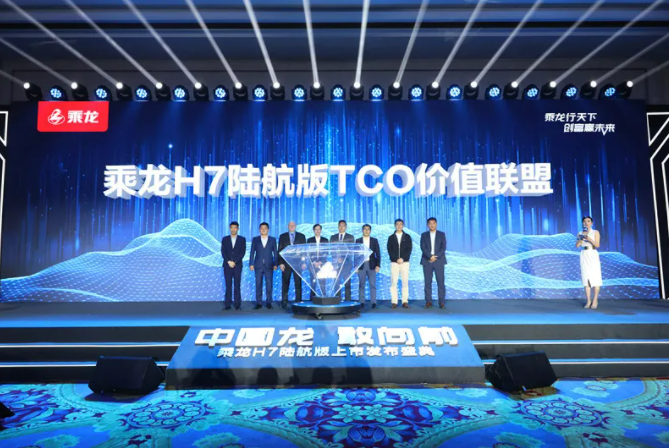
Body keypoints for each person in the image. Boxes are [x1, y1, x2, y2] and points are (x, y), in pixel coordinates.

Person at [249, 222, 278, 309]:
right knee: (258, 284)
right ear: (259, 230)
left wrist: (276, 263)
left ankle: (269, 302)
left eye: (265, 228)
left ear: (268, 229)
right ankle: (259, 302)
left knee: (269, 284)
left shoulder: (273, 240)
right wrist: (251, 263)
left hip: (269, 265)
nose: (263, 230)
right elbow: (252, 252)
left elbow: (275, 252)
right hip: (258, 265)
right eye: (261, 228)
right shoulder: (255, 239)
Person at [420, 217, 447, 309]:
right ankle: (428, 301)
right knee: (427, 282)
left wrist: (435, 256)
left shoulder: (441, 234)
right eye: (430, 223)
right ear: (427, 225)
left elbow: (443, 247)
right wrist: (430, 256)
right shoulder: (424, 235)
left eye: (433, 223)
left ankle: (441, 302)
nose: (432, 225)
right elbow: (423, 247)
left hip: (439, 261)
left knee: (440, 282)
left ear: (436, 224)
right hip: (427, 261)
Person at [575, 216, 602, 309]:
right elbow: (577, 246)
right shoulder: (580, 233)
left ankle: (595, 300)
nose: (586, 223)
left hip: (593, 253)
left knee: (595, 277)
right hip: (584, 254)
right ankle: (588, 300)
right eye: (584, 221)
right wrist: (580, 240)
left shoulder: (595, 232)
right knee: (586, 278)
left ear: (591, 223)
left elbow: (597, 245)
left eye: (588, 221)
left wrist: (590, 239)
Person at [278, 221, 307, 308]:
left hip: (298, 264)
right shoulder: (282, 236)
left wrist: (304, 262)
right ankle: (284, 301)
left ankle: (298, 301)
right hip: (286, 264)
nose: (292, 226)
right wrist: (280, 263)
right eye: (290, 225)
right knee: (285, 283)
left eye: (293, 225)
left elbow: (304, 251)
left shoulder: (301, 236)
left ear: (296, 226)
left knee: (298, 283)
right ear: (288, 226)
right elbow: (279, 250)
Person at [387, 219, 412, 309]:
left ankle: (405, 301)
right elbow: (389, 250)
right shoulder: (391, 237)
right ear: (395, 225)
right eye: (397, 224)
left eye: (401, 224)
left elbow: (409, 249)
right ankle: (394, 302)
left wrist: (403, 258)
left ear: (403, 225)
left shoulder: (407, 237)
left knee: (405, 282)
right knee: (394, 282)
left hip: (405, 262)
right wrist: (396, 259)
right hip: (394, 263)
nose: (399, 226)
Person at [221, 221, 246, 310]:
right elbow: (223, 252)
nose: (233, 229)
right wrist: (229, 261)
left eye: (235, 228)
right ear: (229, 228)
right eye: (231, 228)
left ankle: (237, 304)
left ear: (238, 229)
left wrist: (234, 262)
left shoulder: (242, 239)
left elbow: (242, 252)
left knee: (237, 285)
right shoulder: (225, 239)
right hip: (227, 265)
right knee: (228, 285)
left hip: (237, 265)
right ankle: (227, 304)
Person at [356, 224, 381, 309]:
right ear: (362, 230)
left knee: (372, 284)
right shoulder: (358, 240)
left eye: (368, 229)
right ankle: (361, 302)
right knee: (361, 285)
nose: (366, 231)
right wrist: (356, 266)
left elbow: (378, 253)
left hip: (372, 265)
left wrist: (378, 265)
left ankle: (373, 302)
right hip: (361, 265)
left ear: (370, 231)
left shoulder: (374, 240)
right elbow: (356, 255)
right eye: (365, 229)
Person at [330, 220, 354, 301]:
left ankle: (348, 301)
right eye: (340, 225)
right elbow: (331, 250)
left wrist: (343, 259)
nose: (341, 227)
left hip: (347, 264)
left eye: (343, 226)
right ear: (338, 227)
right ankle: (337, 300)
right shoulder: (333, 237)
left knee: (347, 283)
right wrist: (337, 258)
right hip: (336, 264)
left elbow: (351, 250)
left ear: (346, 227)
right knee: (336, 283)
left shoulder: (350, 237)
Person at [307, 224, 328, 300]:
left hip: (322, 265)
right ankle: (312, 300)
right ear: (313, 230)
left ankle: (324, 299)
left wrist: (321, 262)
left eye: (319, 229)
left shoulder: (325, 240)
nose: (317, 231)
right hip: (312, 265)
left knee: (323, 283)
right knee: (313, 283)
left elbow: (326, 252)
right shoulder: (309, 240)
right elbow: (308, 252)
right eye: (316, 229)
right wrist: (314, 262)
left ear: (321, 230)